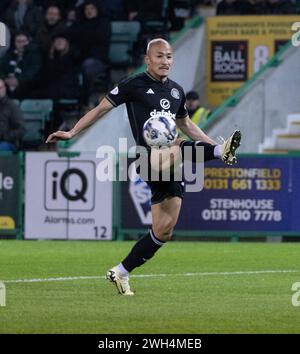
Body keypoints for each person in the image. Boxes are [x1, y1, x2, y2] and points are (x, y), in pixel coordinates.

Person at [46, 38, 241, 296]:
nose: (165, 61)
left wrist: (210, 141)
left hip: (170, 163)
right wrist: (72, 132)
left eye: (169, 56)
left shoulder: (176, 91)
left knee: (164, 230)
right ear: (148, 59)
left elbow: (187, 125)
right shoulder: (132, 84)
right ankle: (219, 152)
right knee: (180, 145)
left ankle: (121, 272)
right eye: (159, 56)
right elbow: (101, 108)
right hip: (147, 158)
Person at [0, 78, 25, 151]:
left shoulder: (12, 107)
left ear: (4, 89)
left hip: (7, 142)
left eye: (0, 88)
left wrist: (4, 136)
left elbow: (21, 130)